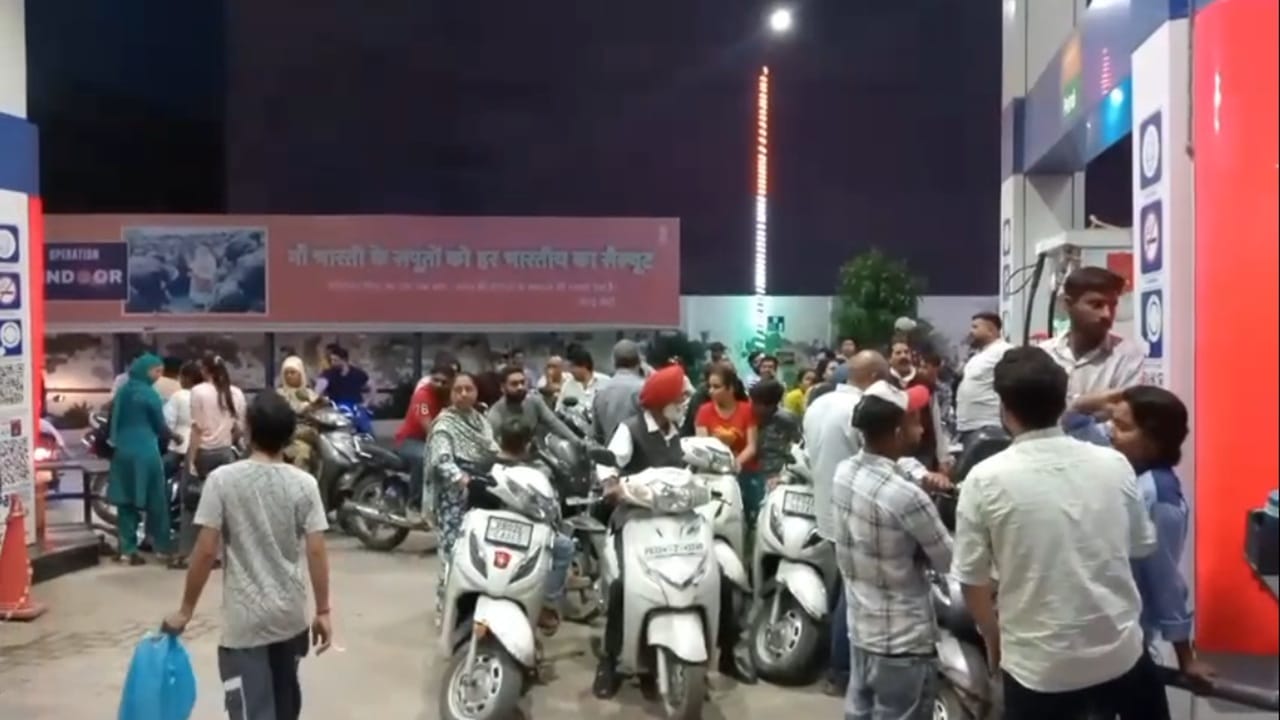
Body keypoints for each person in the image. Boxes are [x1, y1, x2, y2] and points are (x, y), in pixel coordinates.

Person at [951, 346, 1167, 720]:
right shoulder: (1114, 463)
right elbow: (1141, 544)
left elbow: (972, 580)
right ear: (1061, 402)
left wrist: (992, 636)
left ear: (1005, 409)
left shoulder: (984, 479)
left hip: (1039, 670)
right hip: (1120, 655)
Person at [162, 392, 332, 720]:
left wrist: (186, 610)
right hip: (289, 618)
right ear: (289, 435)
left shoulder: (222, 481)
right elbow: (316, 550)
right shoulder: (305, 484)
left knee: (250, 712)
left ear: (248, 430)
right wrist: (323, 610)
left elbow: (205, 551)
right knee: (285, 708)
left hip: (244, 623)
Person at [592, 365, 754, 696]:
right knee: (622, 584)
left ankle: (728, 652)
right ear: (662, 401)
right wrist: (610, 484)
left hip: (678, 518)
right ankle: (610, 661)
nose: (683, 403)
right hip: (636, 517)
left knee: (720, 578)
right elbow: (608, 463)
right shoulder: (630, 430)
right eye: (678, 398)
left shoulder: (677, 431)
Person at [833, 381, 952, 719]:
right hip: (904, 643)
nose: (922, 428)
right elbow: (947, 559)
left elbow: (900, 466)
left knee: (860, 712)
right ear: (898, 432)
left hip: (862, 631)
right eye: (915, 421)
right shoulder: (908, 498)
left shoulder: (845, 472)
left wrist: (924, 475)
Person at [1110, 386, 1215, 685]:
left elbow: (1163, 577)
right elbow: (1077, 423)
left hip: (1128, 641)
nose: (1111, 433)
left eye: (1123, 427)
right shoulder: (1126, 473)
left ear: (1154, 441)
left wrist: (1186, 657)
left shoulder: (1157, 495)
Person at [801, 350, 887, 695]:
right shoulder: (862, 410)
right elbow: (874, 462)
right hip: (855, 512)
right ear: (873, 377)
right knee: (852, 596)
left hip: (826, 508)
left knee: (841, 586)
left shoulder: (818, 403)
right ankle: (840, 671)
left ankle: (830, 658)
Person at [490, 417, 574, 635]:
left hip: (489, 533)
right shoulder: (538, 473)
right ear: (529, 445)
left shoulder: (487, 467)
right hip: (527, 536)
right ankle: (547, 603)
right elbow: (552, 511)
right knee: (564, 547)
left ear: (499, 440)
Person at [428, 373, 499, 618]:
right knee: (453, 552)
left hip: (481, 494)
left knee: (479, 552)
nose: (463, 394)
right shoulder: (445, 424)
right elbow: (442, 461)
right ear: (451, 394)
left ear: (476, 392)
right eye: (458, 390)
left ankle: (471, 606)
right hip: (455, 499)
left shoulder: (481, 421)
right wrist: (463, 480)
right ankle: (446, 609)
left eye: (469, 389)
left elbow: (493, 450)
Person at [1038, 266, 1145, 415]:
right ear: (1068, 304)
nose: (1107, 314)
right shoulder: (1044, 355)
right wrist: (1081, 406)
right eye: (1097, 305)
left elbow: (1125, 418)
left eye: (1113, 305)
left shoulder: (1126, 356)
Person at [177, 354, 246, 569]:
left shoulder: (198, 391)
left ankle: (188, 554)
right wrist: (225, 439)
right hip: (225, 454)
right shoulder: (236, 393)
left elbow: (196, 429)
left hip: (203, 454)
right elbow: (239, 429)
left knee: (192, 504)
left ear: (204, 370)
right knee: (223, 507)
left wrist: (191, 461)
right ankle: (221, 555)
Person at [107, 354, 174, 565]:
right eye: (156, 371)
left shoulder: (123, 391)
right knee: (156, 500)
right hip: (146, 451)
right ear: (145, 370)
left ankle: (127, 550)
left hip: (123, 451)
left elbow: (113, 419)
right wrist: (174, 436)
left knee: (125, 502)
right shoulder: (150, 394)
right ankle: (162, 547)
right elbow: (160, 425)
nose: (159, 376)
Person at [394, 363, 454, 515]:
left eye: (444, 382)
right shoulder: (422, 396)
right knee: (424, 457)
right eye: (436, 380)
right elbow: (427, 423)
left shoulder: (449, 396)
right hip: (409, 441)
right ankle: (414, 504)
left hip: (429, 441)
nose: (439, 384)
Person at [954, 311, 1012, 443]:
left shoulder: (1004, 351)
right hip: (969, 426)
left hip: (990, 426)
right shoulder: (979, 355)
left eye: (975, 327)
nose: (970, 332)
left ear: (991, 330)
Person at [751, 378, 800, 531]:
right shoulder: (751, 417)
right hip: (752, 473)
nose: (753, 406)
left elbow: (797, 447)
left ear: (771, 404)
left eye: (758, 403)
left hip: (776, 476)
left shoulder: (786, 420)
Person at [487, 366, 581, 443]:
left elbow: (554, 423)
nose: (520, 387)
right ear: (503, 388)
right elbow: (494, 446)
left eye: (522, 382)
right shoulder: (495, 415)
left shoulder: (534, 401)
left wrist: (577, 442)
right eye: (514, 384)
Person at [695, 364, 758, 475]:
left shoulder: (747, 410)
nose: (711, 391)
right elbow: (703, 447)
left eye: (716, 387)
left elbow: (751, 447)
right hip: (715, 471)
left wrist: (735, 463)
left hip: (745, 471)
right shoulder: (704, 411)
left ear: (731, 388)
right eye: (709, 386)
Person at [906, 348, 952, 473]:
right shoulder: (911, 386)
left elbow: (940, 420)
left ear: (936, 368)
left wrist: (943, 455)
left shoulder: (941, 390)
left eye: (925, 367)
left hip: (931, 443)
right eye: (920, 367)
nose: (921, 371)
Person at [591, 340, 645, 444]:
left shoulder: (600, 392)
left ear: (613, 362)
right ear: (639, 362)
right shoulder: (644, 389)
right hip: (641, 453)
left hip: (611, 451)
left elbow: (597, 435)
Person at [275, 356, 320, 472]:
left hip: (313, 435)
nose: (289, 376)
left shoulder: (309, 394)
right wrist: (302, 409)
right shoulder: (279, 395)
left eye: (293, 372)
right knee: (302, 453)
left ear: (301, 374)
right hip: (290, 436)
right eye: (286, 373)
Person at [163, 362, 204, 478]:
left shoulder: (179, 395)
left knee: (162, 474)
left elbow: (168, 421)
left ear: (187, 378)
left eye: (181, 377)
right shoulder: (205, 395)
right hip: (201, 447)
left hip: (178, 446)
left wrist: (171, 436)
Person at [558, 345, 610, 412]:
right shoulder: (567, 385)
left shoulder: (606, 383)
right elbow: (559, 410)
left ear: (584, 365)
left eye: (572, 367)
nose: (571, 371)